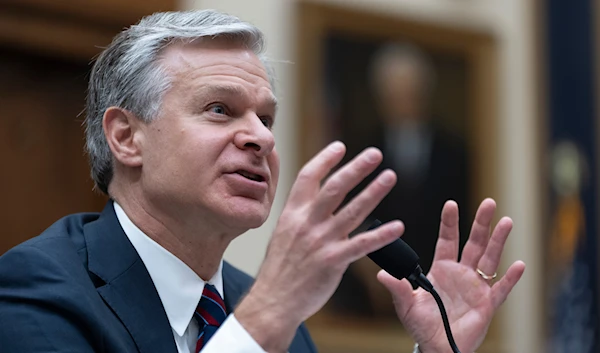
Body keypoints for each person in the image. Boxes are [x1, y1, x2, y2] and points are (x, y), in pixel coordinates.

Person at [0, 9, 525, 353]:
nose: (261, 139)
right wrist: (269, 313)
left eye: (266, 120)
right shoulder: (37, 290)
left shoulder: (280, 324)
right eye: (220, 109)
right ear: (126, 137)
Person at [331, 43, 471, 318]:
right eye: (393, 94)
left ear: (424, 93)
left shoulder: (455, 153)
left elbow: (463, 218)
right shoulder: (361, 148)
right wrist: (364, 262)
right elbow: (350, 215)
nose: (402, 102)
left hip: (436, 286)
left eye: (410, 93)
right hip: (372, 294)